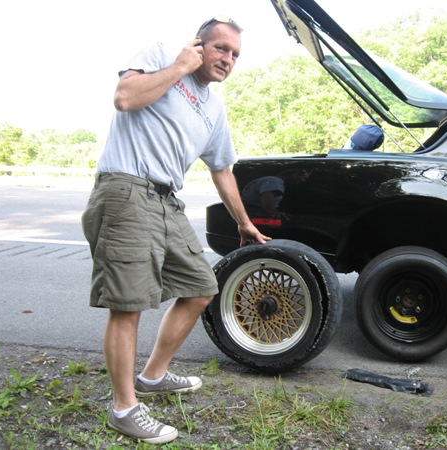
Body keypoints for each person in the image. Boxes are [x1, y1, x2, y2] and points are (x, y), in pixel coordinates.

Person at [81, 16, 270, 445]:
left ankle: (152, 376)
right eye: (221, 48)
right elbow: (125, 98)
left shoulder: (214, 110)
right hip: (126, 189)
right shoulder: (163, 56)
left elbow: (221, 169)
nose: (228, 59)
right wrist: (181, 66)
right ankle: (124, 409)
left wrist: (244, 222)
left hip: (168, 200)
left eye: (236, 55)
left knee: (202, 286)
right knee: (128, 305)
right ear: (198, 44)